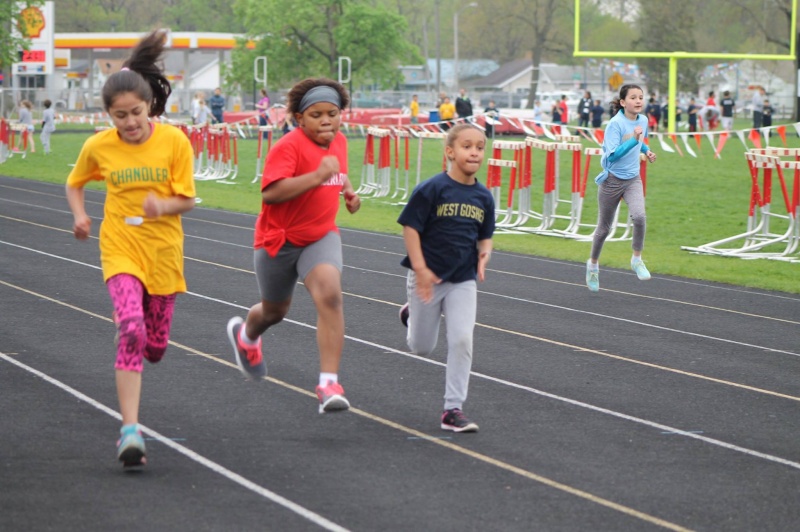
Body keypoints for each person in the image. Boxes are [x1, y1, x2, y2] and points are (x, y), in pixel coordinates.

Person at [64, 30, 196, 468]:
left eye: (136, 113)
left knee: (154, 347)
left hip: (163, 253)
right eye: (119, 116)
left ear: (149, 106)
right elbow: (75, 183)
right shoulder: (98, 146)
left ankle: (137, 330)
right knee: (132, 331)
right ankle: (130, 431)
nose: (130, 123)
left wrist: (164, 206)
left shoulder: (174, 142)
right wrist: (80, 215)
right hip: (120, 247)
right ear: (109, 115)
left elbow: (188, 199)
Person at [225, 78, 361, 414]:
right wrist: (317, 177)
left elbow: (338, 172)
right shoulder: (288, 146)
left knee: (330, 295)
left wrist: (348, 191)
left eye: (332, 114)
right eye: (316, 115)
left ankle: (329, 383)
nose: (326, 121)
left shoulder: (340, 142)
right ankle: (247, 336)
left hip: (320, 235)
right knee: (274, 312)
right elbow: (271, 193)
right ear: (299, 118)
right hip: (279, 239)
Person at [397, 122, 495, 432]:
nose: (474, 152)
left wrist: (484, 253)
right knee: (422, 347)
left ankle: (453, 409)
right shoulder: (432, 189)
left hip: (463, 278)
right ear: (450, 152)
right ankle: (412, 315)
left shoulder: (484, 197)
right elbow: (410, 228)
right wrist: (421, 269)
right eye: (467, 146)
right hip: (427, 277)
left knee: (462, 339)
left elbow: (485, 236)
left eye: (479, 147)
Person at [586, 84, 656, 293]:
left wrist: (647, 150)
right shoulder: (614, 124)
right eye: (633, 97)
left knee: (640, 217)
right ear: (623, 102)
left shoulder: (643, 120)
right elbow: (613, 155)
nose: (638, 101)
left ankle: (636, 259)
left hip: (633, 179)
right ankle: (593, 266)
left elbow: (640, 141)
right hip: (612, 180)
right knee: (603, 229)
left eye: (641, 97)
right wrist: (633, 140)